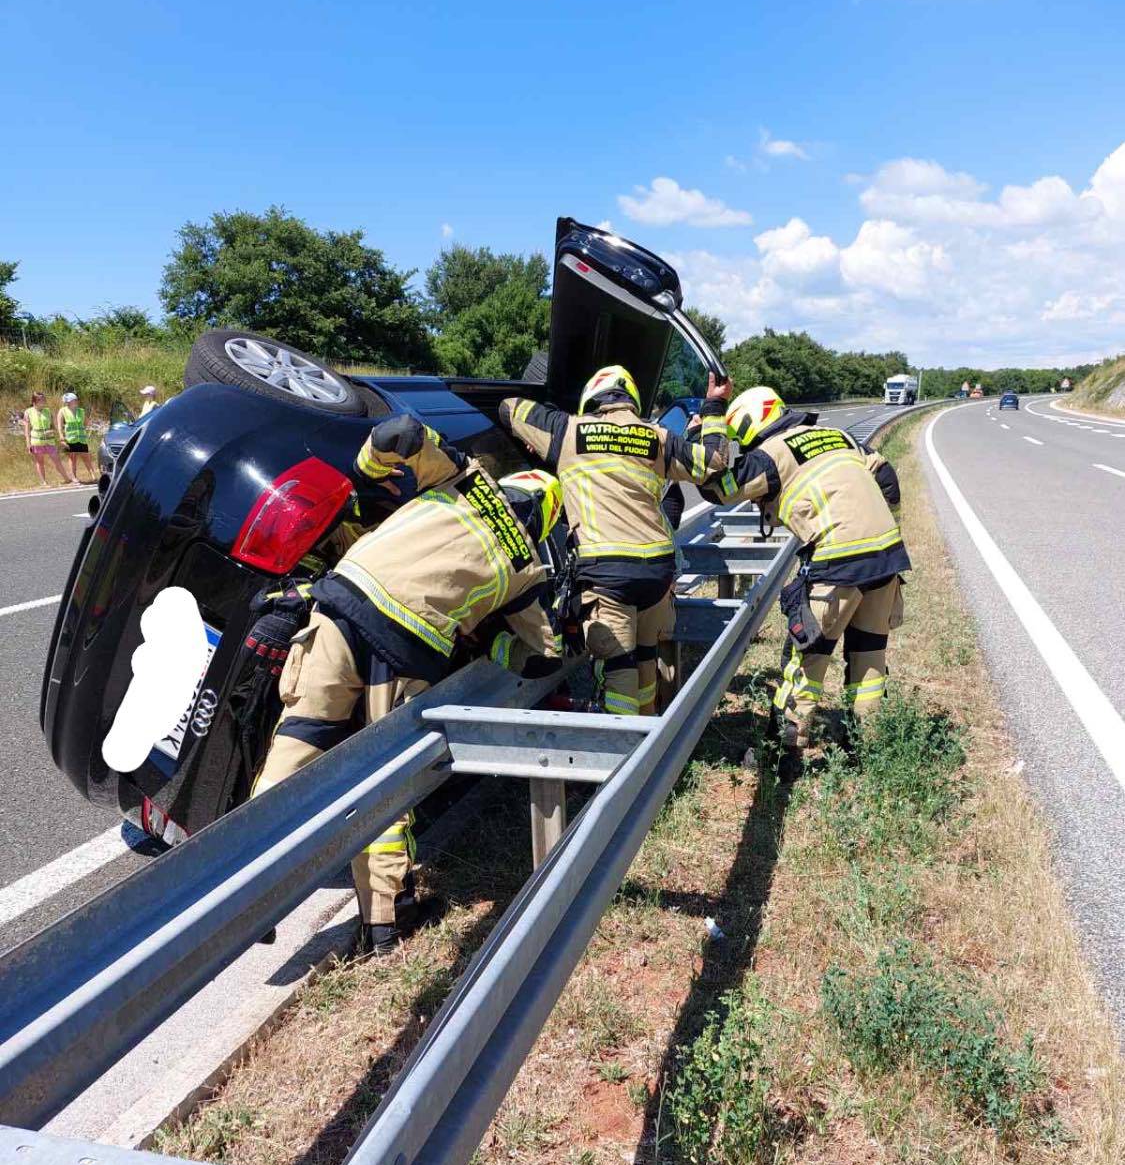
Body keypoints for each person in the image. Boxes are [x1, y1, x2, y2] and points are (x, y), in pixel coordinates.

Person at [251, 414, 563, 956]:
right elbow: (541, 659)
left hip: (339, 600)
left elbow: (403, 435)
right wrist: (490, 642)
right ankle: (385, 921)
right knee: (386, 781)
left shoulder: (469, 478)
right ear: (545, 522)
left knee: (297, 743)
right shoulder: (525, 568)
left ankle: (249, 894)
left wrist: (366, 467)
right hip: (402, 649)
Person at [498, 366, 729, 717]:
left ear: (591, 400)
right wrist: (713, 408)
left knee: (619, 667)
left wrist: (549, 428)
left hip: (607, 575)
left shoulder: (568, 430)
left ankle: (624, 754)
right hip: (657, 572)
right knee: (646, 655)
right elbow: (712, 463)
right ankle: (651, 726)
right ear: (631, 402)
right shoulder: (657, 436)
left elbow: (509, 408)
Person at [706, 385, 909, 751]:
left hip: (838, 563)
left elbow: (719, 487)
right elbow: (888, 482)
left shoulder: (772, 453)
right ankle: (866, 748)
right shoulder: (840, 436)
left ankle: (782, 755)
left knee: (804, 661)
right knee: (868, 654)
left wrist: (705, 425)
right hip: (887, 555)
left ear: (751, 427)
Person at [21, 392, 71, 486]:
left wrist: (51, 431)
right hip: (36, 440)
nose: (44, 401)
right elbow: (27, 430)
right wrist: (28, 444)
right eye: (41, 399)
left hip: (49, 440)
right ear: (35, 401)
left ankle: (67, 479)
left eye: (44, 399)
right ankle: (44, 482)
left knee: (56, 459)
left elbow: (53, 427)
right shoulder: (28, 412)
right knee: (40, 462)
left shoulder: (48, 411)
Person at [57, 392, 95, 484]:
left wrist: (85, 429)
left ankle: (93, 476)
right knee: (72, 457)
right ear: (68, 402)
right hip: (70, 438)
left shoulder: (81, 411)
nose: (76, 401)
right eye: (74, 400)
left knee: (86, 457)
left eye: (76, 399)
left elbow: (86, 422)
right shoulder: (62, 411)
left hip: (81, 438)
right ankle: (73, 477)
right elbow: (59, 425)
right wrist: (61, 436)